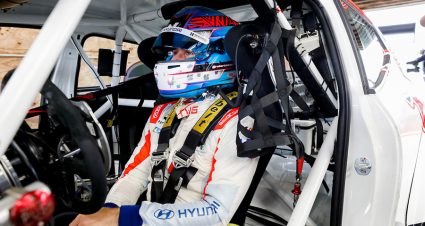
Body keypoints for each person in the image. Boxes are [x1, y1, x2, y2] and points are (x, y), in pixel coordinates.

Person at [70, 6, 258, 226]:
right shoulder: (166, 110)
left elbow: (217, 213)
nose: (170, 59)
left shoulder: (239, 123)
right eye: (170, 52)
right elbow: (135, 173)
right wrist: (109, 211)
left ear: (218, 55)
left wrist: (126, 217)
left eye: (184, 52)